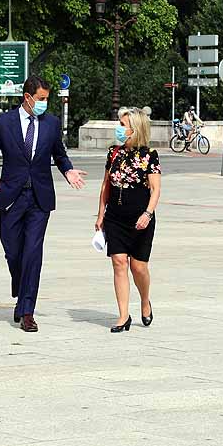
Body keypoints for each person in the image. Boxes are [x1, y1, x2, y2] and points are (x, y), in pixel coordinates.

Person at [0, 75, 86, 333]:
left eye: (47, 99)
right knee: (13, 252)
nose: (44, 104)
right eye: (41, 99)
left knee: (33, 254)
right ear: (27, 98)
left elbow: (60, 155)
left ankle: (27, 311)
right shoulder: (3, 122)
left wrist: (68, 171)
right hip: (11, 197)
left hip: (39, 199)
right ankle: (21, 289)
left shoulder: (50, 123)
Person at [96, 108, 160, 332]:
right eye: (119, 124)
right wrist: (100, 214)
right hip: (115, 217)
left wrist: (147, 214)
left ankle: (144, 300)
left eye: (123, 125)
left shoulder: (149, 155)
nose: (119, 129)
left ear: (136, 128)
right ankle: (123, 315)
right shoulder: (114, 152)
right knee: (119, 263)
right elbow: (105, 185)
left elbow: (155, 190)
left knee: (138, 267)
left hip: (140, 219)